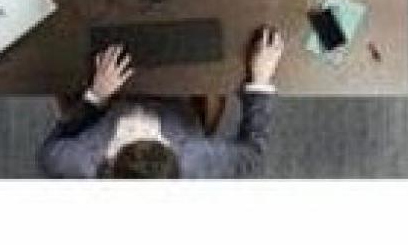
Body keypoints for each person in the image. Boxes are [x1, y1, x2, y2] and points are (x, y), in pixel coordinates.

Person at [37, 26, 284, 178]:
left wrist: (95, 97)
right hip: (177, 106)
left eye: (133, 135)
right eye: (149, 136)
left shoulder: (70, 162)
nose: (140, 126)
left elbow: (59, 138)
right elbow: (253, 155)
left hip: (109, 103)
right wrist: (260, 80)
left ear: (109, 165)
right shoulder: (197, 164)